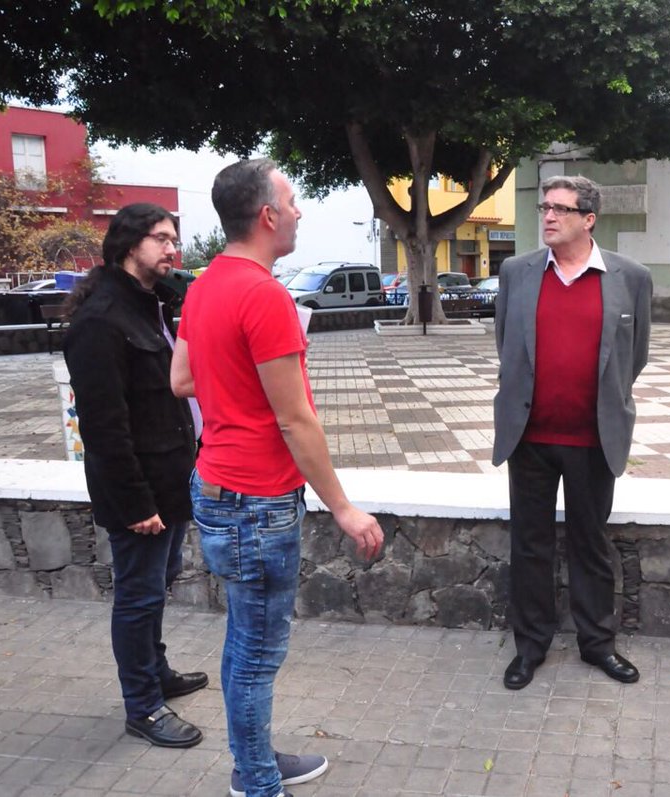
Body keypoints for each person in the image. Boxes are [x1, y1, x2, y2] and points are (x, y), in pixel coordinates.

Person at [171, 158, 384, 797]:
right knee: (256, 655)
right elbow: (297, 420)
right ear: (266, 215)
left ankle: (256, 761)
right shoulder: (264, 295)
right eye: (292, 201)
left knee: (247, 642)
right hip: (256, 502)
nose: (298, 211)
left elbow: (181, 379)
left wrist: (233, 391)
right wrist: (345, 508)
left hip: (214, 488)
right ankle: (257, 781)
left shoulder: (206, 283)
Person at [492, 175, 652, 690]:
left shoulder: (630, 277)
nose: (548, 217)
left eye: (561, 209)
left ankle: (597, 645)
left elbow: (636, 355)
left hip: (593, 439)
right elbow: (507, 347)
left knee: (590, 545)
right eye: (545, 207)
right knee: (530, 547)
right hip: (530, 438)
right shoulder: (517, 272)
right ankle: (530, 648)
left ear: (589, 219)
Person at [62, 203, 205, 748]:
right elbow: (102, 428)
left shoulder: (150, 306)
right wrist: (137, 503)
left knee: (157, 587)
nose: (174, 249)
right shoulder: (100, 321)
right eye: (162, 239)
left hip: (170, 483)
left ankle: (157, 673)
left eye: (175, 238)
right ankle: (142, 706)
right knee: (138, 596)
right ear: (128, 244)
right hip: (141, 494)